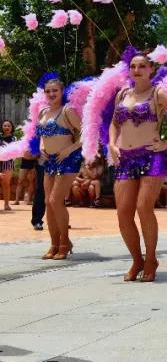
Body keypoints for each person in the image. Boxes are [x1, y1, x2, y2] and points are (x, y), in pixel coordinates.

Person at [109, 51, 167, 281]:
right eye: (133, 66)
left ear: (151, 69)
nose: (137, 70)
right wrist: (112, 144)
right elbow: (114, 123)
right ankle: (137, 260)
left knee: (144, 207)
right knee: (123, 213)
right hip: (125, 158)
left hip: (151, 156)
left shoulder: (158, 93)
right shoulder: (122, 94)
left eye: (142, 66)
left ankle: (151, 259)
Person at [36, 74, 84, 260]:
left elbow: (85, 132)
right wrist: (41, 146)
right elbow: (41, 135)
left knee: (56, 200)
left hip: (68, 160)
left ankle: (64, 242)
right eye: (48, 91)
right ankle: (54, 244)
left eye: (55, 90)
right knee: (48, 203)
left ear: (62, 91)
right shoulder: (43, 112)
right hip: (49, 161)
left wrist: (69, 149)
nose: (51, 94)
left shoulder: (67, 111)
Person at [0, 120, 15, 211]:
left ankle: (6, 204)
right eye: (5, 126)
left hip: (8, 163)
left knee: (6, 183)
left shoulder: (14, 139)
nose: (6, 127)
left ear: (11, 127)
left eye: (8, 126)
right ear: (2, 127)